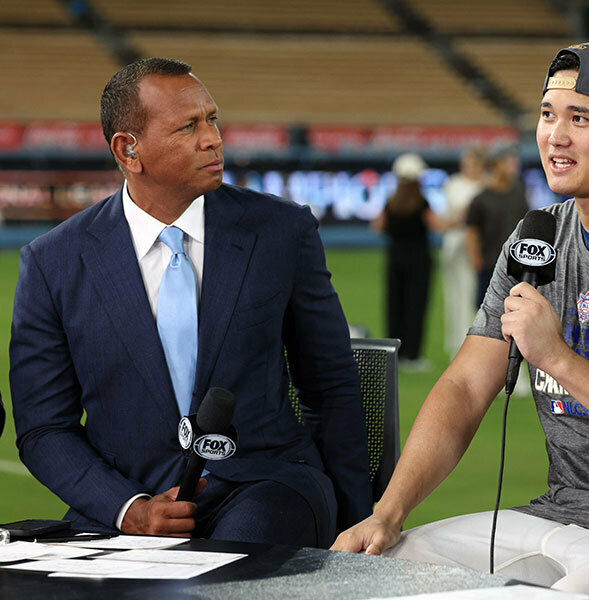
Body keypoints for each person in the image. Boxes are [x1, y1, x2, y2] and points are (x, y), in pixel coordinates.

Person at [333, 42, 589, 594]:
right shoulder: (538, 237)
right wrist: (388, 511)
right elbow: (463, 385)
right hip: (556, 513)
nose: (555, 135)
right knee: (369, 576)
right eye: (548, 113)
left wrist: (557, 357)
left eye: (580, 118)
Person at [9, 58, 371, 546]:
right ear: (128, 149)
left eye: (212, 119)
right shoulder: (52, 262)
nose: (213, 139)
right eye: (188, 126)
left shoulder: (282, 231)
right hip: (125, 509)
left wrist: (358, 526)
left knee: (223, 574)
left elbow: (329, 386)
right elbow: (43, 430)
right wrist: (129, 510)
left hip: (268, 487)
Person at [374, 153, 437, 368]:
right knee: (416, 306)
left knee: (394, 304)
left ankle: (395, 352)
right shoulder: (421, 202)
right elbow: (436, 224)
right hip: (419, 260)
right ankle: (412, 355)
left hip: (395, 258)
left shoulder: (391, 202)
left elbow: (378, 226)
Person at [465, 145, 529, 308]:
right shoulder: (480, 199)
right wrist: (476, 262)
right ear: (495, 165)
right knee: (487, 316)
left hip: (516, 267)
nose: (513, 167)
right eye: (508, 162)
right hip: (489, 266)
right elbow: (472, 232)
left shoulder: (519, 195)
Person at [440, 147, 485, 356]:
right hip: (455, 247)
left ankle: (477, 341)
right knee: (456, 296)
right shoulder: (454, 184)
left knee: (477, 297)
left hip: (481, 247)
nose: (468, 167)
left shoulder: (487, 184)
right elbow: (449, 218)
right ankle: (457, 342)